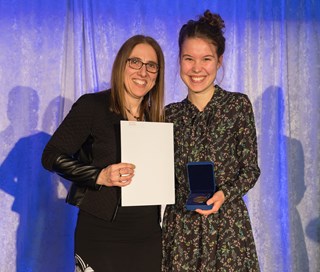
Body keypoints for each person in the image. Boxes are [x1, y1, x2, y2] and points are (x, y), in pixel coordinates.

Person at [42, 35, 165, 272]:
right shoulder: (93, 106)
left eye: (152, 65)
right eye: (135, 62)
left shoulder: (158, 118)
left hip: (148, 235)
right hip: (101, 233)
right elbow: (51, 155)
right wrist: (100, 176)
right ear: (121, 65)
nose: (143, 71)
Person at [162, 10, 261, 272]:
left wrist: (224, 194)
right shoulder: (168, 114)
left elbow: (250, 169)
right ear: (179, 60)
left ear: (219, 61)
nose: (196, 68)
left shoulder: (237, 105)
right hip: (181, 228)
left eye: (206, 59)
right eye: (188, 58)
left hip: (227, 227)